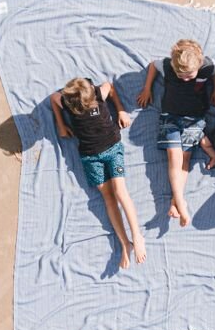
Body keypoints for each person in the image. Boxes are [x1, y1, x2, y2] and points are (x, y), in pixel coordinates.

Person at [50, 77, 146, 270]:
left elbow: (109, 87)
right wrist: (61, 124)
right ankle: (124, 242)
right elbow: (54, 98)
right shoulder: (68, 102)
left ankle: (137, 235)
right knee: (108, 198)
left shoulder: (97, 93)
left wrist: (119, 109)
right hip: (90, 157)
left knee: (120, 192)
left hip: (113, 148)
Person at [136, 39, 215, 226]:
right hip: (170, 116)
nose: (185, 79)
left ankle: (176, 200)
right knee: (174, 157)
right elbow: (152, 66)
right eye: (181, 76)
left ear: (198, 64)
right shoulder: (167, 65)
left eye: (190, 76)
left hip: (195, 118)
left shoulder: (207, 65)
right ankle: (181, 202)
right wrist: (147, 88)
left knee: (185, 158)